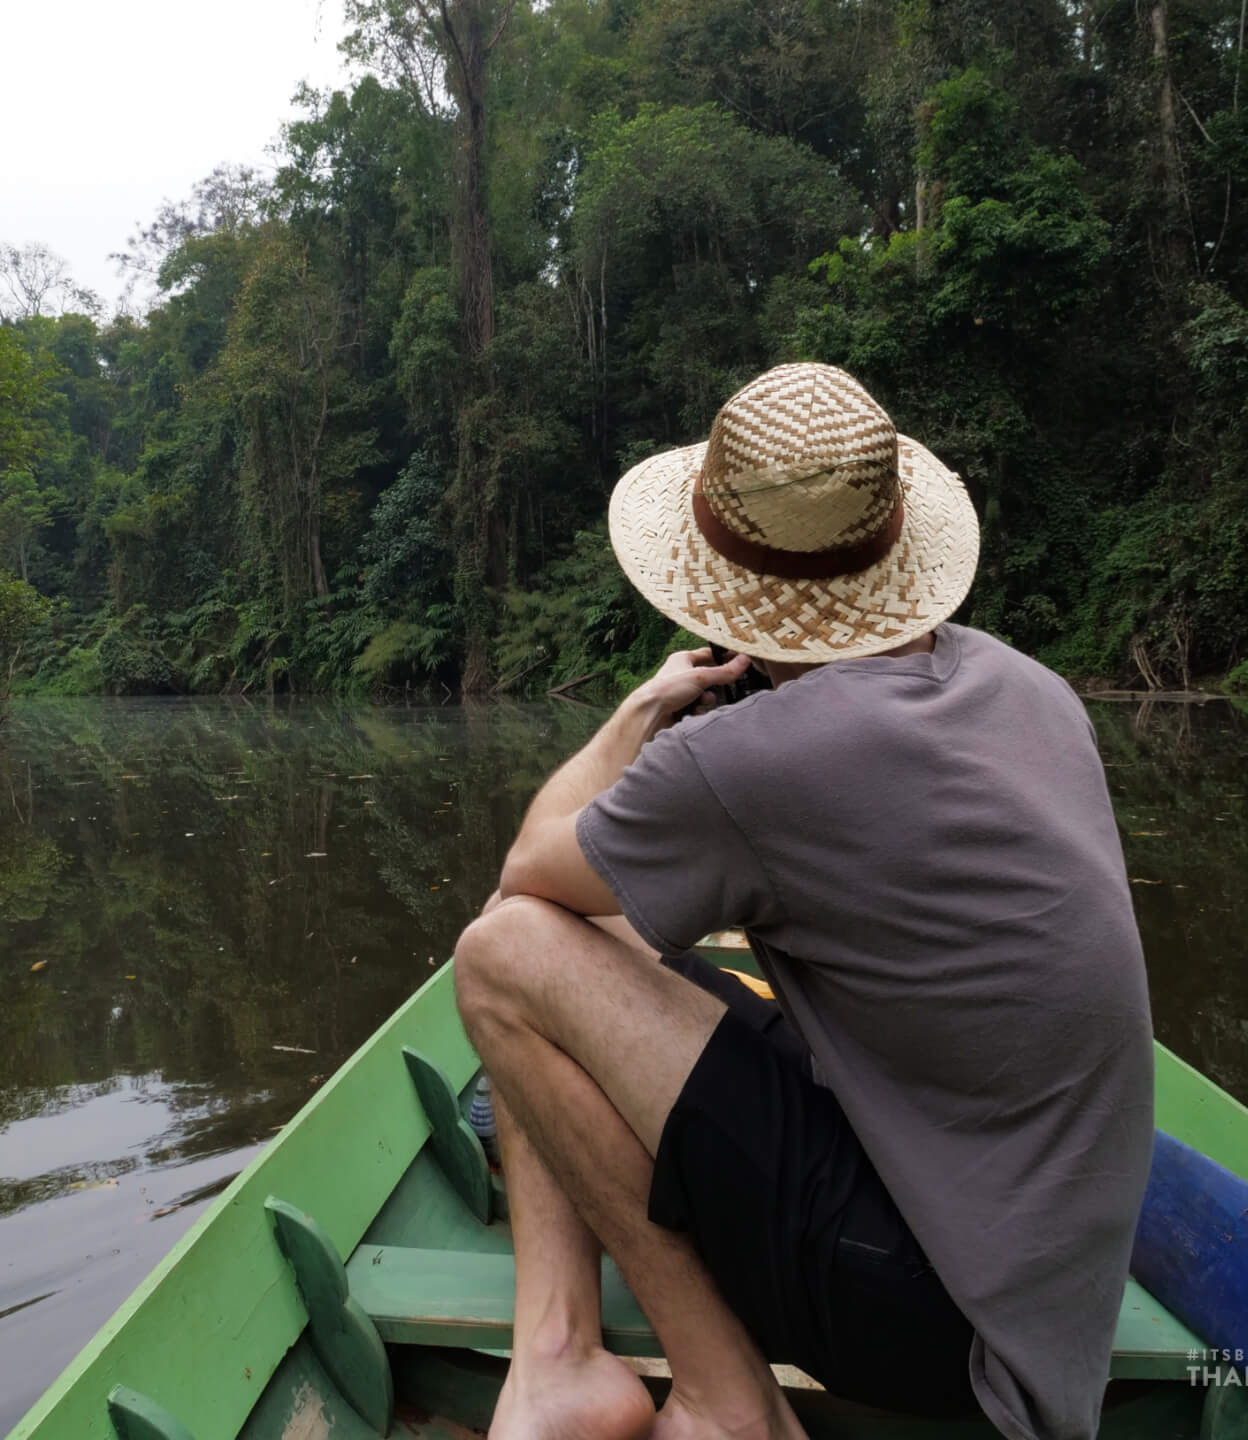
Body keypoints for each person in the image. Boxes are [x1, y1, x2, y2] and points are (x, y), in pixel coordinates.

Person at [453, 363, 1154, 1440]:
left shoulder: (755, 761)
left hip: (938, 1331)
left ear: (721, 589)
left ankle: (712, 1400)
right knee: (599, 953)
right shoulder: (1026, 687)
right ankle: (560, 1363)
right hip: (1048, 1294)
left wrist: (636, 712)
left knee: (505, 957)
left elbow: (521, 880)